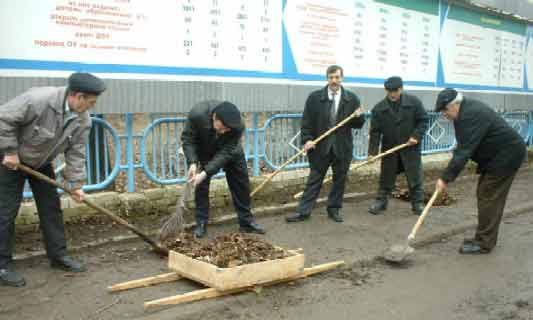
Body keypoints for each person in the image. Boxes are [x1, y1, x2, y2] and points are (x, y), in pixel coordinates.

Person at [0, 72, 106, 287]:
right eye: (90, 102)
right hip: (11, 161)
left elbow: (76, 153)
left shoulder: (82, 120)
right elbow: (4, 118)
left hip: (41, 163)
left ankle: (58, 256)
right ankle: (2, 265)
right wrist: (10, 151)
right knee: (6, 212)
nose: (91, 107)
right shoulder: (39, 100)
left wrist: (76, 185)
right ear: (77, 96)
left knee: (51, 208)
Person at [434, 88, 527, 254]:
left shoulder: (470, 115)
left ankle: (484, 243)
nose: (444, 115)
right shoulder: (464, 112)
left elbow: (464, 151)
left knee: (489, 196)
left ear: (454, 105)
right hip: (497, 156)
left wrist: (445, 178)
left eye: (444, 110)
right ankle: (483, 238)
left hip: (506, 156)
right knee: (485, 194)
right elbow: (465, 145)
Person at [286, 65, 365, 223]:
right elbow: (307, 121)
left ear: (342, 78)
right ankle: (304, 211)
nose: (334, 80)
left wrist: (358, 116)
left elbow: (358, 124)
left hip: (342, 148)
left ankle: (334, 209)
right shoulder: (315, 98)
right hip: (320, 147)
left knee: (339, 180)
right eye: (331, 77)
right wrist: (307, 139)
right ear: (327, 78)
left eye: (337, 77)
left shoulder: (351, 99)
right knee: (314, 179)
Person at [182, 100, 265, 238]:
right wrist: (192, 162)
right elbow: (188, 139)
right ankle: (201, 222)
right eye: (222, 128)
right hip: (205, 150)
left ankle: (246, 221)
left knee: (241, 184)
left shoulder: (238, 125)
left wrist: (206, 172)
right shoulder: (197, 115)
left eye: (227, 130)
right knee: (201, 186)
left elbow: (227, 152)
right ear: (214, 118)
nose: (224, 131)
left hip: (230, 151)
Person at [368, 76, 428, 215]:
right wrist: (372, 152)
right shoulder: (379, 108)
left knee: (414, 177)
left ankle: (417, 203)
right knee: (386, 177)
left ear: (401, 89)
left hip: (410, 148)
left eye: (395, 91)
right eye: (389, 91)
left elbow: (423, 121)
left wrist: (416, 136)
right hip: (390, 149)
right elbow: (375, 132)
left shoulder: (414, 103)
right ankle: (381, 202)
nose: (392, 94)